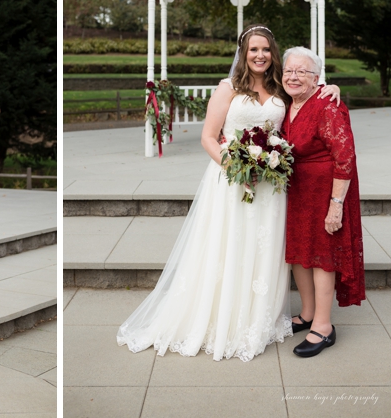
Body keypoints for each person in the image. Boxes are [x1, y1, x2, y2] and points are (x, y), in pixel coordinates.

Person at [117, 24, 294, 361]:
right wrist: (238, 169)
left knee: (263, 247)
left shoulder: (280, 89)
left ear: (273, 53)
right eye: (253, 50)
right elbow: (209, 138)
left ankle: (257, 317)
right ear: (243, 53)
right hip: (231, 181)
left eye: (266, 50)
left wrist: (333, 88)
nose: (260, 55)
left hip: (270, 185)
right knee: (228, 245)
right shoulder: (228, 88)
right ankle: (221, 316)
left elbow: (305, 95)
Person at [279, 47, 363, 359]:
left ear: (317, 78)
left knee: (321, 257)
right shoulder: (288, 103)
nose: (293, 76)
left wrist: (336, 205)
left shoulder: (327, 105)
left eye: (302, 71)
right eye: (289, 70)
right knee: (300, 255)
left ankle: (324, 327)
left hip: (325, 192)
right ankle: (309, 313)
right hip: (298, 192)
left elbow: (345, 159)